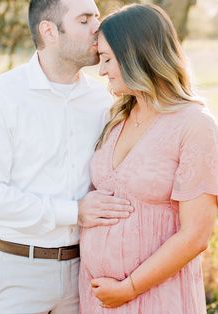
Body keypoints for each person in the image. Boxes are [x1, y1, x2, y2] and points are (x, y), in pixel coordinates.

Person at [0, 0, 134, 313]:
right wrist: (73, 211)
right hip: (17, 273)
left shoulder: (104, 99)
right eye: (84, 20)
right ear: (49, 31)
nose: (98, 28)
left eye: (97, 16)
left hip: (88, 272)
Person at [79, 4, 218, 314]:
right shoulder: (115, 117)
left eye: (107, 59)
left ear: (135, 55)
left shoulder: (194, 124)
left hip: (156, 297)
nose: (101, 71)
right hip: (99, 299)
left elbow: (195, 235)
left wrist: (128, 288)